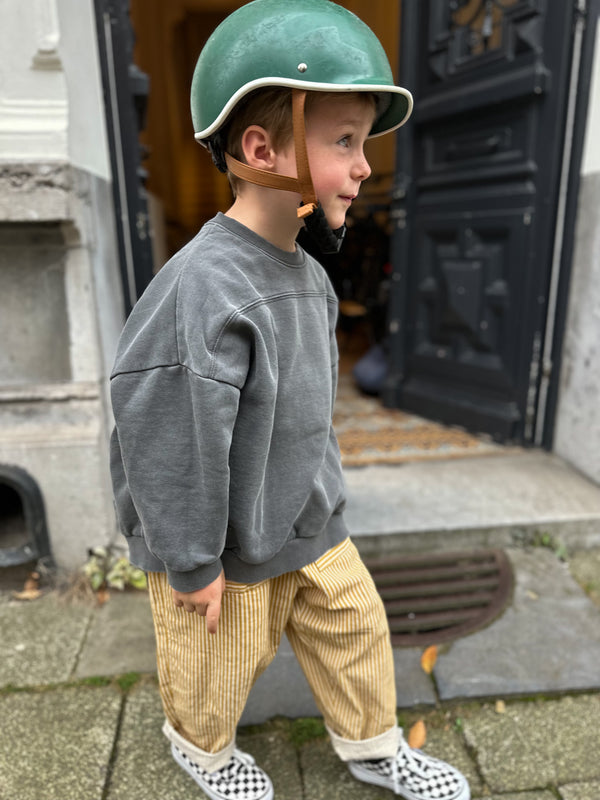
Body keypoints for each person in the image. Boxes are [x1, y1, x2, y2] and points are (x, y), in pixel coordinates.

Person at [109, 2, 470, 799]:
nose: (366, 165)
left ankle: (372, 743)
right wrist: (192, 559)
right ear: (261, 149)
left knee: (356, 629)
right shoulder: (202, 288)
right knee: (217, 660)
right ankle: (198, 748)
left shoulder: (305, 270)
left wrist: (327, 496)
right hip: (226, 542)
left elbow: (305, 404)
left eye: (363, 143)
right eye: (345, 141)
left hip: (308, 519)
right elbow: (167, 430)